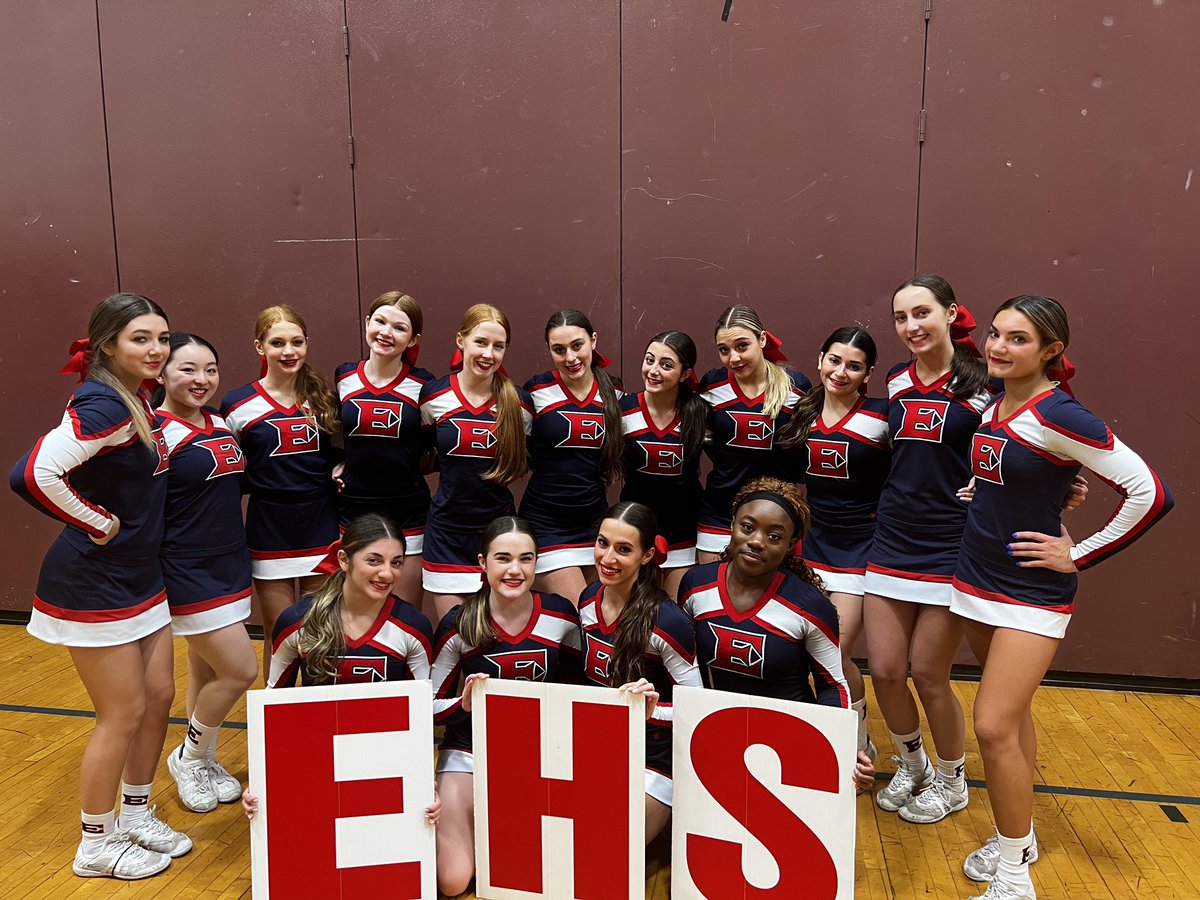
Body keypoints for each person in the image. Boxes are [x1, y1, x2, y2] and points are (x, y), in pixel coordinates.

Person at [952, 295, 1173, 900]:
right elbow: (1013, 469)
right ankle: (1016, 840)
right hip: (974, 578)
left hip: (1032, 591)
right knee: (1012, 721)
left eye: (1018, 339)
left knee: (992, 725)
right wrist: (987, 492)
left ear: (1051, 351)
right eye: (996, 334)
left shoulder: (1064, 415)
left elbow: (1150, 493)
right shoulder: (998, 403)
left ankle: (1016, 878)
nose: (998, 347)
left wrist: (1077, 554)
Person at [10, 293, 186, 879]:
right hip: (93, 581)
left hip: (140, 576)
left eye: (162, 337)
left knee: (159, 694)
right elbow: (33, 473)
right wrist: (100, 522)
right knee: (124, 711)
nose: (157, 349)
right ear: (108, 343)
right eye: (141, 338)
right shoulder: (103, 404)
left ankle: (134, 813)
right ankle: (95, 842)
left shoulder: (134, 397)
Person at [862, 274, 991, 825]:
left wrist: (996, 483)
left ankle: (952, 777)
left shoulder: (984, 382)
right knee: (887, 670)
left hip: (950, 543)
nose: (911, 327)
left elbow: (1023, 441)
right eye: (900, 317)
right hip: (892, 537)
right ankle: (912, 766)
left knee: (928, 673)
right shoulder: (894, 379)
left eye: (921, 313)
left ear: (950, 313)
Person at [679, 478, 875, 794]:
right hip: (714, 736)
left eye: (773, 536)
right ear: (731, 525)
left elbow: (832, 685)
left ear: (790, 544)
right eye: (747, 527)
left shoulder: (810, 606)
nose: (756, 541)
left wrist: (841, 749)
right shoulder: (695, 586)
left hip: (786, 744)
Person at [242, 513, 438, 824]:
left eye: (396, 562)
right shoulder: (297, 622)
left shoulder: (413, 628)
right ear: (344, 559)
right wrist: (261, 781)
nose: (387, 573)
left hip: (385, 759)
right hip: (316, 757)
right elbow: (274, 706)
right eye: (374, 560)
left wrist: (426, 782)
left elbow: (420, 714)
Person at [430, 517, 582, 896]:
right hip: (469, 751)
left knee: (529, 870)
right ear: (483, 563)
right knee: (452, 881)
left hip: (539, 756)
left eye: (525, 559)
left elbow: (582, 690)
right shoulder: (459, 623)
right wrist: (463, 705)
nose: (515, 570)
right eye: (503, 558)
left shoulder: (561, 615)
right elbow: (427, 708)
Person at [154, 334, 258, 814]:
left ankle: (205, 757)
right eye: (188, 369)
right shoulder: (153, 431)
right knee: (240, 669)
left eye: (210, 369)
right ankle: (189, 757)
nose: (202, 380)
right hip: (187, 568)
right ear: (162, 373)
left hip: (230, 561)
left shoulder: (221, 421)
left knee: (207, 667)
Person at [776, 327, 890, 763]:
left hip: (862, 551)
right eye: (835, 361)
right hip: (812, 550)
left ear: (868, 374)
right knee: (804, 652)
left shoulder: (882, 416)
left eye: (854, 366)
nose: (841, 372)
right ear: (820, 358)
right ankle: (822, 740)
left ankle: (856, 748)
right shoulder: (800, 416)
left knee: (834, 652)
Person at [220, 305, 341, 677]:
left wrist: (343, 465)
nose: (289, 351)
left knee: (319, 627)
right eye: (278, 343)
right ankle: (278, 709)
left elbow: (345, 452)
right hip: (269, 526)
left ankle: (320, 707)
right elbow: (232, 469)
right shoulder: (238, 405)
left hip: (319, 522)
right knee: (278, 628)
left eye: (297, 342)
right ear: (260, 347)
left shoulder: (324, 400)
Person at [578, 501, 702, 843]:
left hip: (654, 755)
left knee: (609, 851)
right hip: (599, 746)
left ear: (647, 555)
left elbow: (699, 708)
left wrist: (652, 710)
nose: (608, 559)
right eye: (603, 544)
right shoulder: (588, 601)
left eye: (623, 549)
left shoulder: (667, 621)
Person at [419, 304, 532, 619]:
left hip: (499, 536)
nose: (489, 353)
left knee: (494, 639)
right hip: (446, 534)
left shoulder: (519, 404)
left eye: (498, 346)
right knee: (454, 638)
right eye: (481, 342)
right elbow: (411, 453)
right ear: (461, 340)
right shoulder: (433, 396)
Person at [333, 291, 436, 608]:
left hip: (407, 513)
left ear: (413, 338)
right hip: (353, 511)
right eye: (380, 321)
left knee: (403, 615)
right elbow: (335, 435)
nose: (386, 333)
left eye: (399, 327)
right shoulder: (344, 376)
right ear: (367, 323)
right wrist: (335, 465)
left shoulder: (425, 386)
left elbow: (435, 447)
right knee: (353, 613)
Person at [520, 309, 624, 605]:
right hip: (546, 525)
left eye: (577, 345)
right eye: (559, 349)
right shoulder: (536, 391)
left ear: (593, 341)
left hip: (594, 524)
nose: (570, 358)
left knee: (601, 617)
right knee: (583, 609)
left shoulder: (613, 392)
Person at [697, 305, 811, 564]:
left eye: (742, 346)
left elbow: (799, 450)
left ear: (762, 339)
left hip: (775, 516)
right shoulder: (712, 384)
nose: (733, 358)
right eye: (724, 350)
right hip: (720, 511)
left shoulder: (795, 386)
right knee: (712, 598)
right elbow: (709, 443)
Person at [619, 332, 707, 597]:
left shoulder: (700, 413)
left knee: (674, 616)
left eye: (666, 365)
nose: (653, 371)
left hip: (684, 531)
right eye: (649, 360)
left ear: (684, 374)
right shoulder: (623, 408)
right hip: (635, 530)